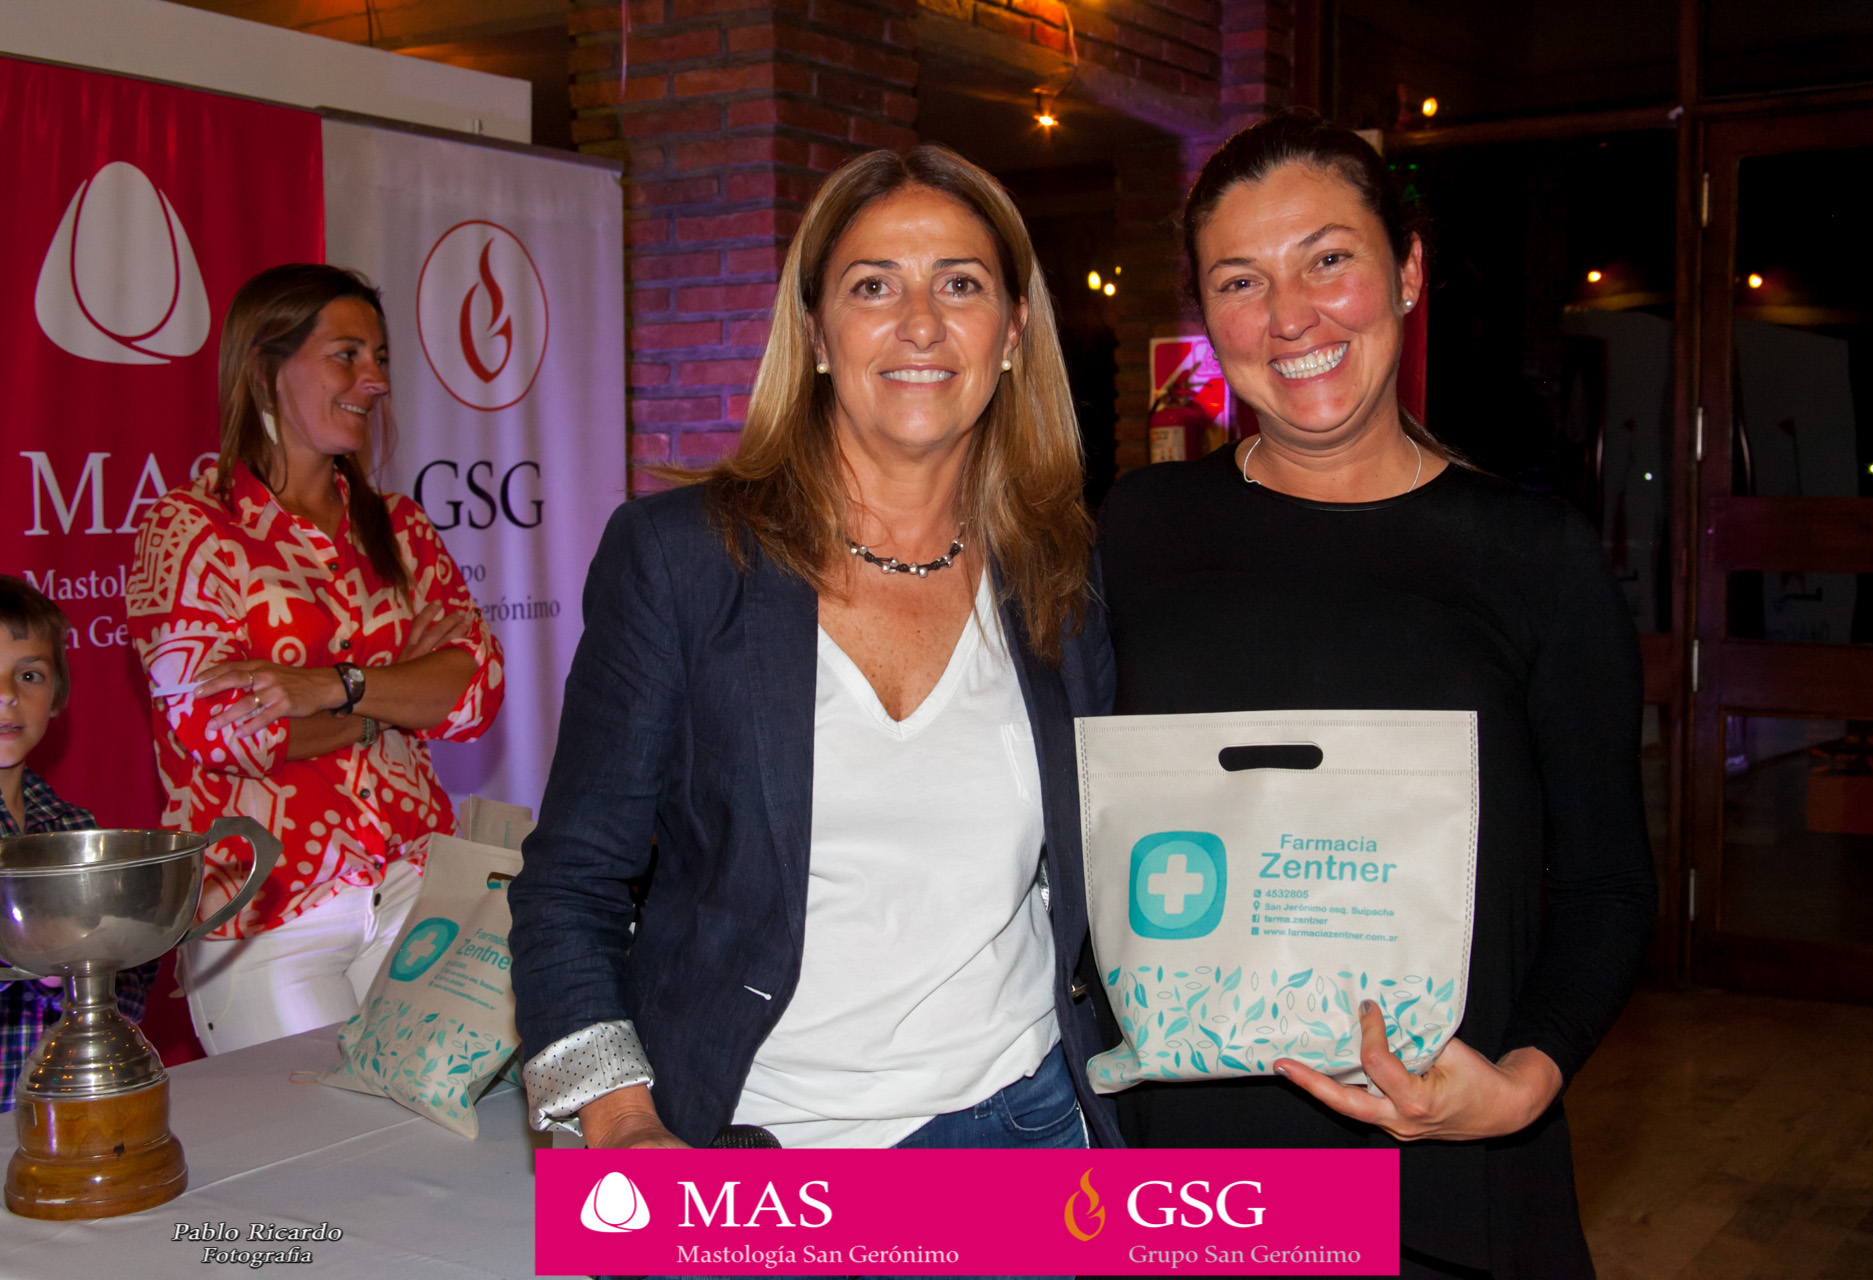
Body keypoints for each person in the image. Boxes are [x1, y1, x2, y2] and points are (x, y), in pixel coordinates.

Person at [1095, 113, 1658, 1278]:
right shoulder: (1137, 532)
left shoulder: (1533, 555)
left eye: (1328, 259)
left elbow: (1605, 878)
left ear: (1406, 271)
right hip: (1187, 1184)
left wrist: (1523, 1081)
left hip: (1440, 1184)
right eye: (1241, 280)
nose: (1290, 316)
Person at [509, 144, 1120, 1162]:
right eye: (873, 285)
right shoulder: (681, 559)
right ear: (816, 333)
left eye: (960, 285)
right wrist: (621, 1123)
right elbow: (569, 883)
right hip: (752, 1141)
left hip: (1028, 1129)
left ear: (1013, 332)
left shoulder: (1059, 565)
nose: (919, 323)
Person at [127, 264, 503, 1056]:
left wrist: (331, 686)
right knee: (318, 1133)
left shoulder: (398, 526)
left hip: (415, 883)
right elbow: (220, 730)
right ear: (266, 366)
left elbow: (474, 690)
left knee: (440, 1122)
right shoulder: (193, 528)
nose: (375, 379)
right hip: (268, 908)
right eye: (347, 355)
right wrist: (385, 711)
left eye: (381, 357)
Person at [0, 575, 157, 1110]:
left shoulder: (74, 829)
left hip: (70, 1112)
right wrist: (30, 964)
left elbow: (129, 986)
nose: (7, 694)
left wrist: (99, 968)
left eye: (29, 675)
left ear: (57, 697)